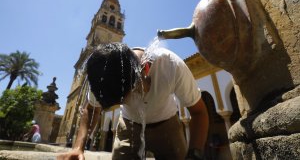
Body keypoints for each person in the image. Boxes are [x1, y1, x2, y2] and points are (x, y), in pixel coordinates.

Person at [57, 42, 209, 160]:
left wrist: (194, 154)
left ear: (144, 69)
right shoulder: (103, 75)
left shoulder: (171, 65)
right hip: (128, 126)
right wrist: (78, 148)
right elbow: (91, 109)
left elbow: (199, 112)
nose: (130, 102)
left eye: (131, 94)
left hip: (167, 125)